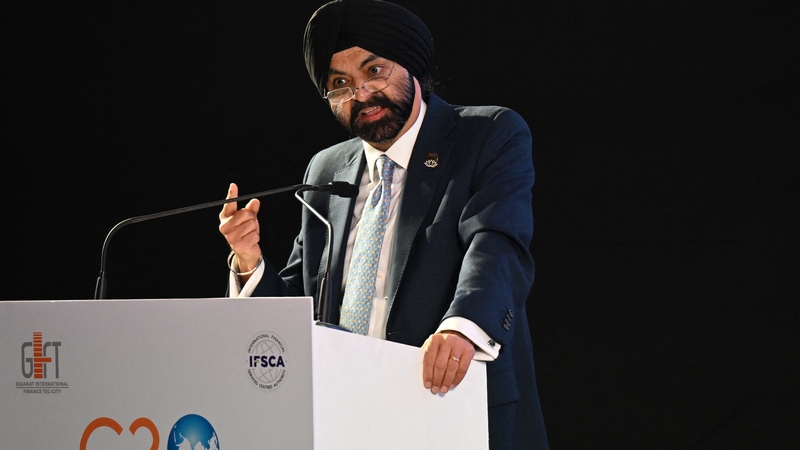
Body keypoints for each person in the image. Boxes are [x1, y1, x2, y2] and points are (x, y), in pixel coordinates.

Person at [219, 1, 548, 448]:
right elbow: (303, 301)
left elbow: (496, 246)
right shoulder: (326, 169)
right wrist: (249, 261)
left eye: (375, 71)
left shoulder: (486, 135)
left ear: (410, 64)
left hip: (452, 406)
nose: (361, 94)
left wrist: (461, 327)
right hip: (348, 417)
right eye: (340, 84)